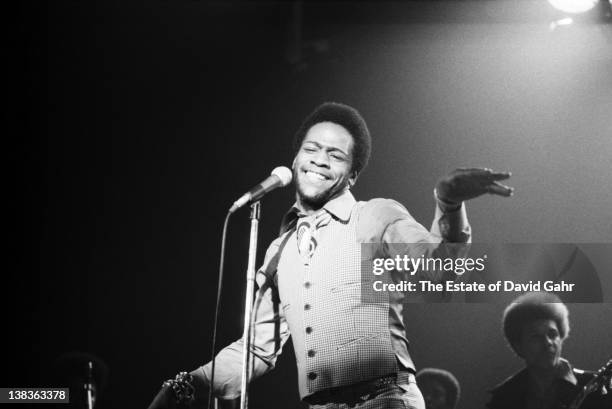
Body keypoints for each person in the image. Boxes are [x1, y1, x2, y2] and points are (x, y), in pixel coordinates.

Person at [148, 102, 513, 409]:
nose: (320, 160)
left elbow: (441, 271)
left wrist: (448, 203)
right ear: (295, 160)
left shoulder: (375, 215)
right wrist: (186, 386)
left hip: (384, 399)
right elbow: (255, 351)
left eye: (335, 155)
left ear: (352, 175)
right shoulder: (279, 251)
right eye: (311, 149)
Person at [487, 291, 612, 409]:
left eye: (552, 334)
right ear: (518, 346)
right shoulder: (503, 398)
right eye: (535, 337)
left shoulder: (597, 389)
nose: (547, 343)